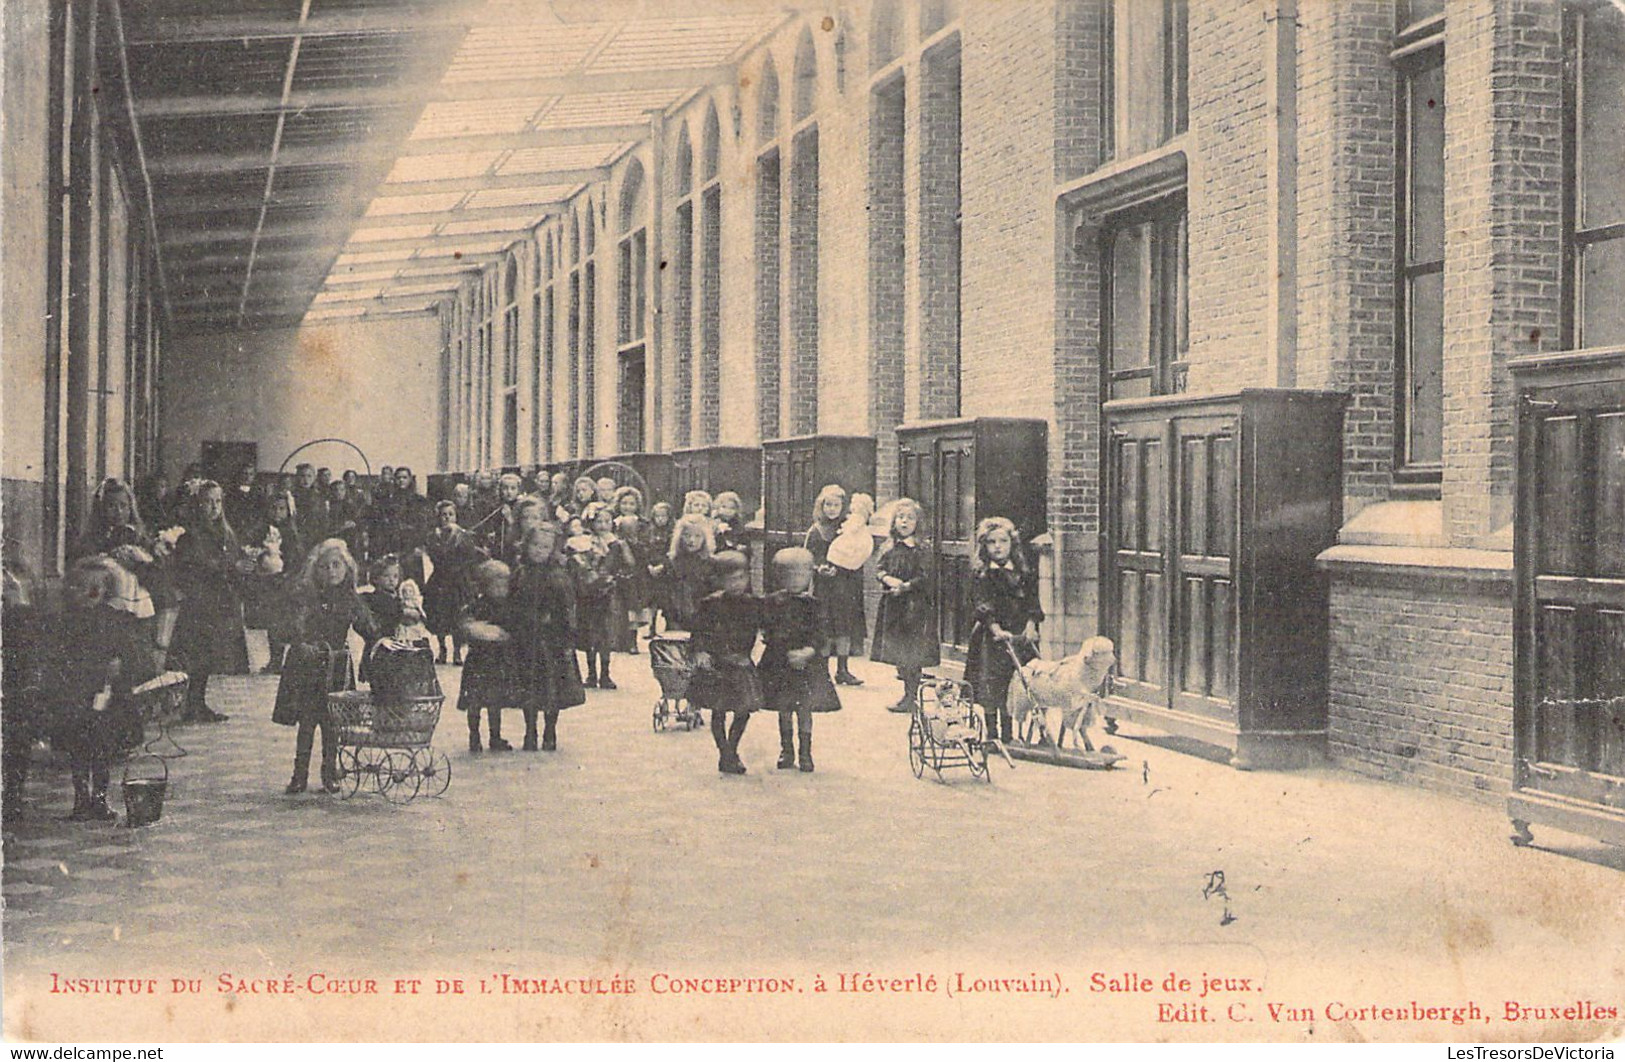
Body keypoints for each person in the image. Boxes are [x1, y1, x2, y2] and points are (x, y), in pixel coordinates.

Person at [39, 557, 157, 823]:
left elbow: (133, 656)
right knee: (79, 751)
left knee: (102, 751)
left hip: (106, 699)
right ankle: (81, 798)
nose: (87, 594)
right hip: (77, 696)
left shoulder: (115, 620)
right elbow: (57, 658)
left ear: (105, 591)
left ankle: (100, 798)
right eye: (80, 587)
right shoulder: (67, 623)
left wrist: (120, 664)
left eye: (94, 588)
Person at [273, 540, 378, 794]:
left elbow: (369, 629)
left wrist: (372, 650)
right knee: (307, 722)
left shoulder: (350, 599)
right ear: (315, 569)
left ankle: (330, 773)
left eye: (336, 565)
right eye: (324, 567)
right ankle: (299, 775)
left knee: (332, 723)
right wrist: (301, 643)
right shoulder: (306, 597)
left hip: (336, 667)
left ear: (347, 568)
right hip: (309, 666)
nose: (331, 572)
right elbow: (290, 626)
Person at [169, 480, 253, 720]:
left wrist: (246, 563)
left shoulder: (226, 532)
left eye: (218, 501)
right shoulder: (191, 534)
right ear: (198, 504)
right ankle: (192, 704)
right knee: (198, 653)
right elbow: (197, 564)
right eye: (208, 502)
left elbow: (233, 557)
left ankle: (198, 702)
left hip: (221, 601)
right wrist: (231, 566)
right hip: (201, 601)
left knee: (209, 655)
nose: (214, 507)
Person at [962, 516, 1043, 746]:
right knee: (991, 683)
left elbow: (1032, 602)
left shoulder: (1023, 573)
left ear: (1011, 544)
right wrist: (995, 627)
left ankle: (1009, 734)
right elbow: (981, 603)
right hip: (992, 636)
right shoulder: (983, 574)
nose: (998, 546)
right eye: (991, 542)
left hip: (1018, 633)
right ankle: (992, 733)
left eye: (1003, 541)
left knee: (1016, 681)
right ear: (984, 546)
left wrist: (1031, 625)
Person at [760, 547, 841, 772]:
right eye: (788, 575)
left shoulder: (814, 605)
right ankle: (787, 750)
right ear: (780, 577)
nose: (795, 581)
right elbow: (768, 630)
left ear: (809, 576)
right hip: (781, 662)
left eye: (800, 575)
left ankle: (806, 752)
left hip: (808, 663)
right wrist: (783, 650)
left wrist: (809, 651)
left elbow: (822, 634)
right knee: (784, 707)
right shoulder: (773, 602)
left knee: (804, 708)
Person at [511, 524, 586, 751]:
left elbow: (567, 608)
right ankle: (530, 730)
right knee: (529, 688)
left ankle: (550, 730)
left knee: (552, 688)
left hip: (551, 640)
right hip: (526, 639)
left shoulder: (557, 575)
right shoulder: (520, 573)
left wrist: (568, 638)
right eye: (534, 545)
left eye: (545, 547)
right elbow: (511, 602)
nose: (538, 551)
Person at [687, 551, 762, 775]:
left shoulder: (753, 603)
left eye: (741, 578)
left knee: (743, 710)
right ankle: (725, 753)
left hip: (740, 662)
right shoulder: (710, 604)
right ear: (720, 581)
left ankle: (732, 749)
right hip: (718, 664)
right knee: (718, 711)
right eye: (730, 580)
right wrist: (700, 651)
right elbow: (698, 633)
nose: (737, 584)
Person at [871, 499, 938, 714]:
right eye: (901, 517)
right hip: (894, 607)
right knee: (899, 653)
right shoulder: (889, 547)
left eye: (910, 518)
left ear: (918, 523)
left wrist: (906, 586)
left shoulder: (921, 549)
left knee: (912, 653)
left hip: (914, 608)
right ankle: (907, 694)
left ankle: (912, 696)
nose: (904, 522)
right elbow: (879, 568)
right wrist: (887, 579)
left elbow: (926, 577)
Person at [458, 560, 524, 752]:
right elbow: (464, 624)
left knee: (495, 701)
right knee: (475, 702)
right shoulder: (478, 606)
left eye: (504, 585)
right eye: (495, 585)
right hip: (479, 660)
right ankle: (474, 736)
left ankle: (495, 736)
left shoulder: (508, 606)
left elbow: (513, 628)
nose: (501, 589)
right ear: (485, 586)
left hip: (498, 661)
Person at [803, 484, 866, 687]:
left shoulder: (849, 529)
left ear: (843, 506)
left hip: (845, 586)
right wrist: (818, 568)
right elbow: (807, 558)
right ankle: (822, 671)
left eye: (836, 505)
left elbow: (858, 552)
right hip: (824, 587)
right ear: (821, 506)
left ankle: (843, 669)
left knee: (843, 628)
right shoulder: (815, 531)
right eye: (827, 505)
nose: (831, 509)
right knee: (825, 628)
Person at [568, 502, 635, 689]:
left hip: (608, 593)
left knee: (605, 633)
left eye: (607, 521)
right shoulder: (584, 541)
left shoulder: (616, 543)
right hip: (588, 593)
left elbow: (629, 564)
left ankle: (605, 673)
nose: (603, 525)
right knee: (589, 633)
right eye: (599, 521)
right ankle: (591, 673)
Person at [2, 559, 44, 823]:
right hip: (16, 682)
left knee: (16, 743)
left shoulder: (20, 612)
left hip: (15, 683)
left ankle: (12, 798)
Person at [423, 499, 485, 665]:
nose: (447, 518)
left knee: (458, 616)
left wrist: (460, 535)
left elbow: (469, 556)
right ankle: (442, 648)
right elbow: (437, 556)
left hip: (458, 581)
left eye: (451, 514)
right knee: (439, 615)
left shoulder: (463, 535)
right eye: (444, 515)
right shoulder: (432, 536)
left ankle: (457, 651)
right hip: (440, 580)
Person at [654, 512, 715, 632]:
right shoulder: (672, 562)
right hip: (675, 615)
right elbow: (663, 591)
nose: (691, 540)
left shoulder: (709, 563)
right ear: (679, 537)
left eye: (698, 536)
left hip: (701, 616)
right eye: (687, 535)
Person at [611, 485, 653, 647]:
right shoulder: (613, 521)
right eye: (624, 503)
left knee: (633, 606)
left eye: (631, 504)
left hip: (637, 569)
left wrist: (634, 542)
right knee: (619, 605)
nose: (627, 507)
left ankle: (633, 640)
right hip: (618, 567)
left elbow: (646, 546)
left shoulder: (643, 523)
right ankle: (618, 639)